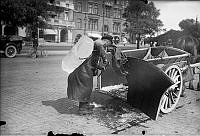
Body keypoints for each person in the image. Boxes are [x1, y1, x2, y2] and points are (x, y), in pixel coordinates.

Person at [67, 35, 113, 113]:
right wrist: (104, 58)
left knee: (87, 89)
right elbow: (99, 44)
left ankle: (85, 104)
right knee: (84, 88)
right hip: (82, 71)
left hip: (85, 70)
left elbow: (93, 62)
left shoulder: (93, 49)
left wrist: (100, 67)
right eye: (107, 45)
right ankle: (82, 109)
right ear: (107, 41)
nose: (106, 47)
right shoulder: (97, 43)